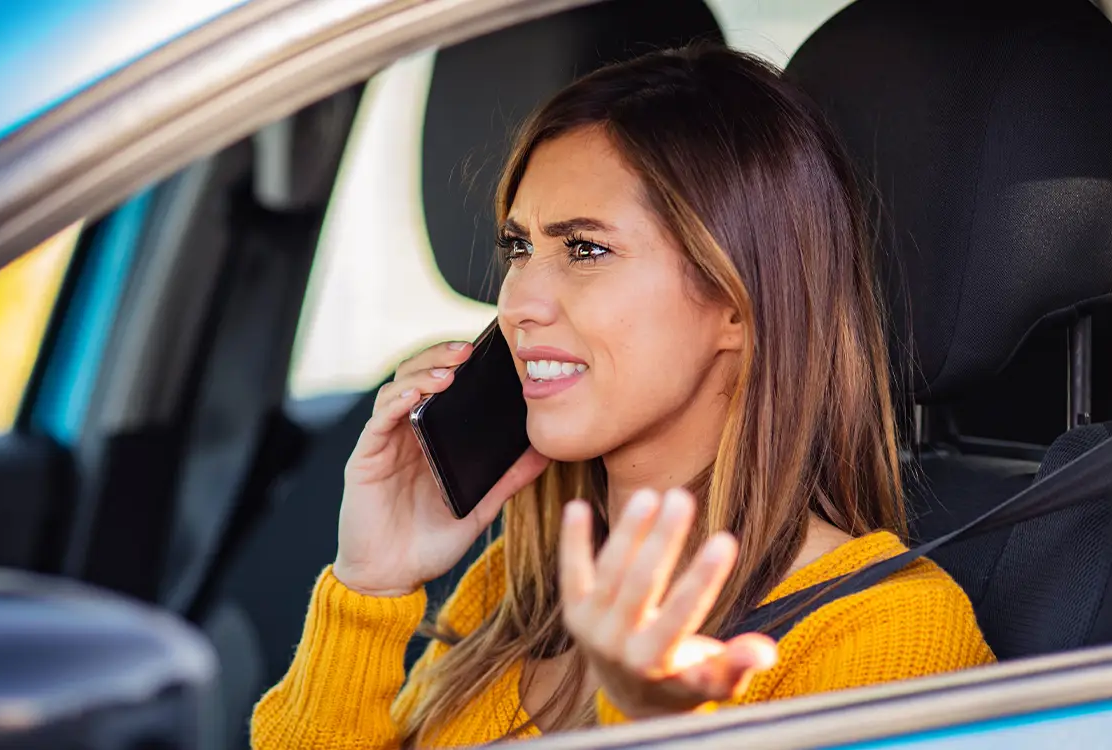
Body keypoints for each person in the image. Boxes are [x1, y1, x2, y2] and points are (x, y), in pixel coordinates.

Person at [250, 45, 995, 748]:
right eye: (518, 248)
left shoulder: (887, 639)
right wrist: (368, 592)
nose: (517, 302)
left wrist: (653, 727)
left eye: (585, 249)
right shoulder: (519, 589)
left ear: (738, 305)